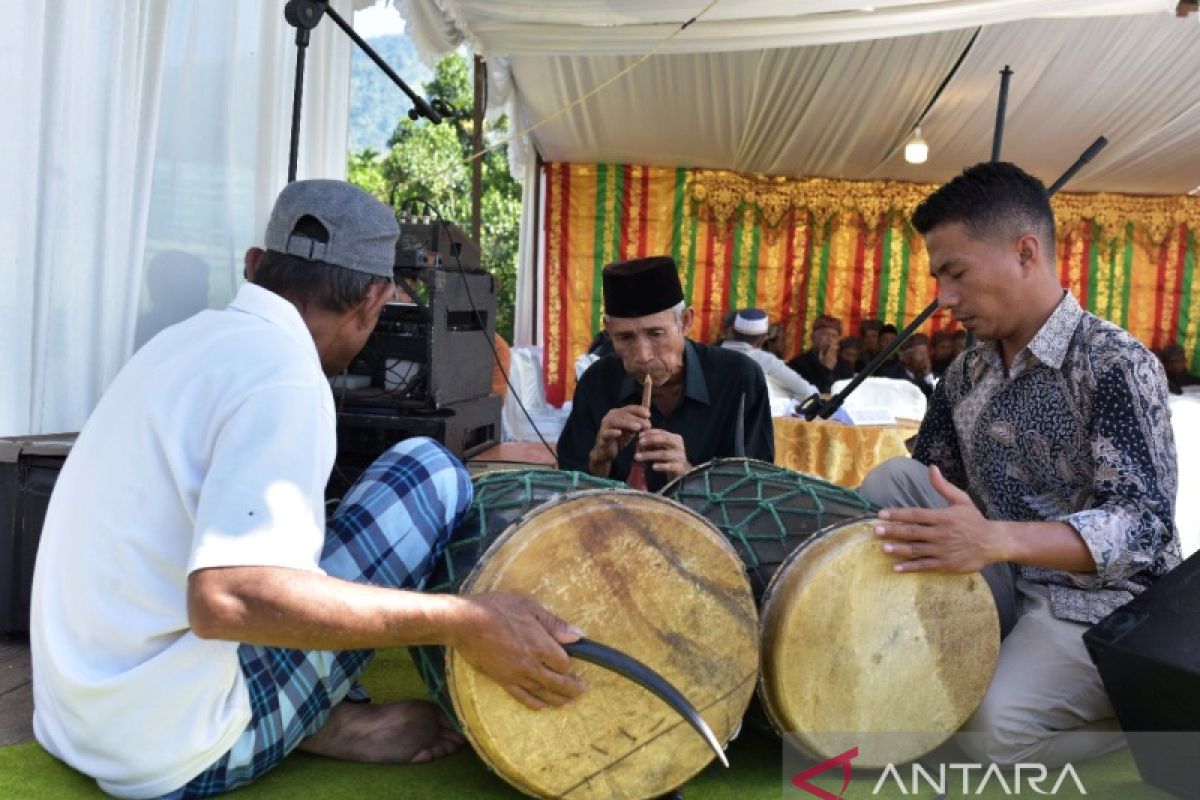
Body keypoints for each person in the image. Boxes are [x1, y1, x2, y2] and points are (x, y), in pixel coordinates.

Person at [30, 180, 586, 799]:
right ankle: (312, 718)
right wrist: (463, 621)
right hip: (171, 751)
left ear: (255, 266)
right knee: (429, 471)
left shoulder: (177, 342)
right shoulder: (285, 377)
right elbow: (227, 600)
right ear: (376, 299)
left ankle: (320, 716)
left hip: (76, 720)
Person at [859, 162, 1179, 767]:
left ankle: (1157, 718)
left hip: (1103, 602)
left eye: (956, 273)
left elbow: (1142, 528)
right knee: (892, 480)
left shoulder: (1115, 362)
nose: (944, 298)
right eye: (938, 277)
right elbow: (929, 479)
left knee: (987, 730)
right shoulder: (965, 372)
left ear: (1026, 252)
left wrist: (995, 538)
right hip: (1000, 579)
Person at [557, 256, 774, 493]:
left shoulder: (739, 378)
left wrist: (688, 475)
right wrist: (599, 460)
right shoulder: (597, 382)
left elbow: (754, 494)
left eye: (656, 333)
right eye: (625, 337)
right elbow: (569, 495)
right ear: (609, 331)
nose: (643, 356)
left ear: (685, 322)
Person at [720, 308, 819, 403]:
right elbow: (807, 392)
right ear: (762, 339)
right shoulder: (764, 360)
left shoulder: (713, 355)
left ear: (732, 332)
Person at [786, 314, 855, 394]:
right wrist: (826, 370)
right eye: (824, 334)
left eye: (834, 336)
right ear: (812, 337)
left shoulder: (845, 366)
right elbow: (810, 394)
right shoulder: (797, 364)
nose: (829, 339)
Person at [879, 332, 936, 397]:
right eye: (921, 353)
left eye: (926, 353)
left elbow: (940, 397)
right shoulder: (890, 376)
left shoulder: (932, 377)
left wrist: (928, 376)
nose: (925, 358)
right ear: (906, 357)